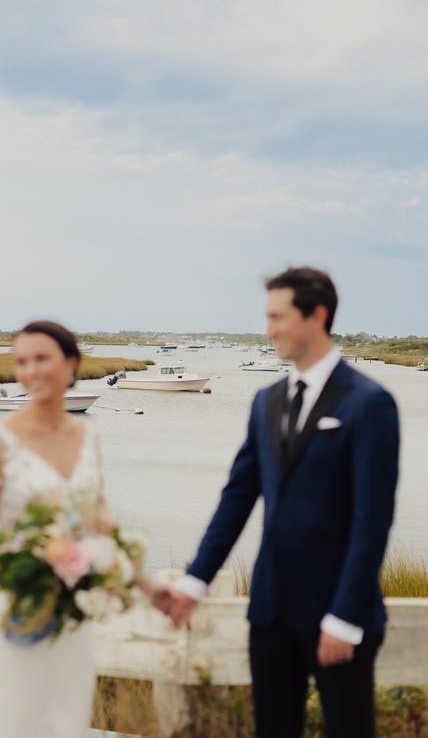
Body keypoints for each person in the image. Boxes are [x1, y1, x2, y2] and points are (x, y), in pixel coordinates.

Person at [159, 267, 400, 738]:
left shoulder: (370, 404)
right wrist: (195, 581)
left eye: (277, 316)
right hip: (270, 611)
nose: (268, 329)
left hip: (340, 615)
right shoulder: (265, 401)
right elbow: (237, 497)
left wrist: (345, 617)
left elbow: (373, 521)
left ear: (317, 316)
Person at [0, 320, 162, 738]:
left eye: (42, 358)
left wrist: (135, 578)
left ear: (71, 363)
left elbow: (98, 520)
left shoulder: (87, 436)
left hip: (73, 612)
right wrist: (25, 570)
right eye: (21, 361)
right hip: (18, 607)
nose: (31, 370)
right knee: (6, 721)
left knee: (65, 721)